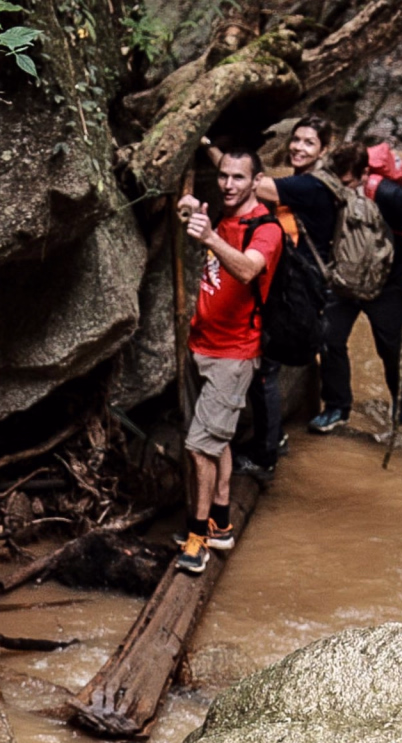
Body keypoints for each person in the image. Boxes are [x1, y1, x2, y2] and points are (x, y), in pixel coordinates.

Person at [175, 147, 283, 574]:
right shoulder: (222, 215)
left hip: (234, 355)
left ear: (256, 181)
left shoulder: (267, 229)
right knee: (215, 440)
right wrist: (190, 213)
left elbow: (246, 270)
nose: (229, 185)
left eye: (239, 178)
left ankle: (197, 540)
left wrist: (210, 237)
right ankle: (221, 523)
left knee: (198, 447)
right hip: (202, 343)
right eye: (223, 176)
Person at [310, 140, 402, 432]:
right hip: (345, 278)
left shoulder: (387, 193)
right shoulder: (331, 188)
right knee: (330, 339)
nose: (342, 185)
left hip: (388, 284)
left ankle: (400, 396)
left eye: (348, 181)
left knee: (389, 346)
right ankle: (337, 407)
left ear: (365, 173)